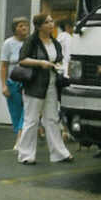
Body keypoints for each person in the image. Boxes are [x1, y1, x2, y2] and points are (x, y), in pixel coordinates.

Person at [15, 13, 74, 165]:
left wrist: (59, 67)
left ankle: (59, 154)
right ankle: (26, 155)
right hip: (34, 85)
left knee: (52, 119)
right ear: (39, 26)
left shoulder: (55, 42)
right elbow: (22, 60)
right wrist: (41, 63)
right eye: (47, 22)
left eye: (51, 21)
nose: (51, 24)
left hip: (52, 84)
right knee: (31, 119)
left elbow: (59, 59)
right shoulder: (31, 41)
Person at [0, 16, 29, 151]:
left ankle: (20, 140)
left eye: (26, 25)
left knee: (27, 110)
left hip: (28, 82)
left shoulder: (30, 42)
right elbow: (4, 66)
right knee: (16, 112)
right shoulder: (8, 44)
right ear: (15, 29)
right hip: (13, 82)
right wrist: (4, 85)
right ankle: (22, 134)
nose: (24, 28)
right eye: (20, 26)